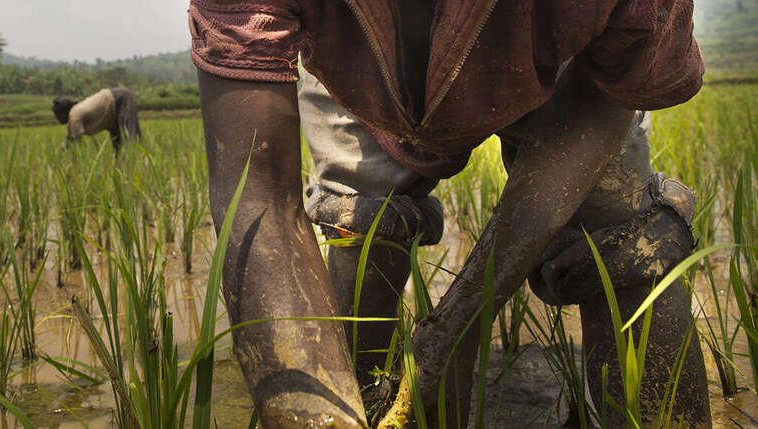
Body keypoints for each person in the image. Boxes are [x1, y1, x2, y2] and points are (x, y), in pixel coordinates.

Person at [188, 0, 709, 427]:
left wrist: (456, 327)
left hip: (556, 51)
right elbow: (258, 196)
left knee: (623, 237)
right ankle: (363, 405)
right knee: (361, 225)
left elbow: (607, 89)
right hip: (357, 64)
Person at [52, 87, 141, 154]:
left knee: (132, 137)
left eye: (57, 116)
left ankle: (139, 161)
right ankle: (120, 163)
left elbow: (74, 140)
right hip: (112, 110)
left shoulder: (74, 115)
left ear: (62, 113)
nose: (57, 119)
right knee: (117, 142)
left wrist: (60, 153)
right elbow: (70, 136)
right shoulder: (75, 112)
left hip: (121, 99)